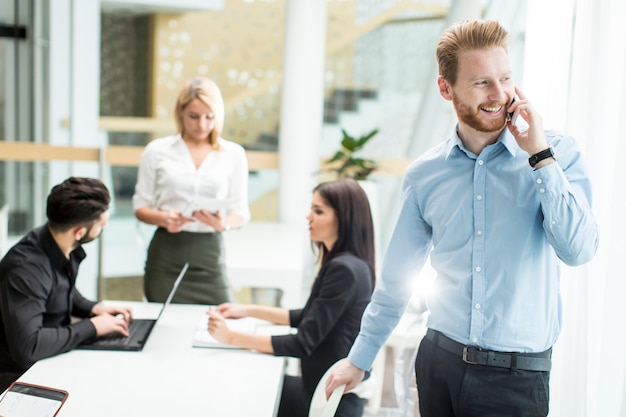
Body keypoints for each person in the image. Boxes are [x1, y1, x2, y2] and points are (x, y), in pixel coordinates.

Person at [326, 19, 599, 417]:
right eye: (481, 83)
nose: (500, 94)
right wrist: (360, 358)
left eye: (505, 78)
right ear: (445, 88)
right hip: (439, 363)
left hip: (517, 379)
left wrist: (539, 155)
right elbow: (396, 280)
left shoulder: (556, 154)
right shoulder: (425, 175)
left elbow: (579, 250)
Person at [207, 178, 375, 417]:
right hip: (322, 390)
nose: (309, 217)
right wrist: (247, 310)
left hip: (328, 403)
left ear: (343, 218)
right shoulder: (347, 264)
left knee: (239, 388)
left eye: (318, 211)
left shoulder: (344, 269)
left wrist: (230, 336)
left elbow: (302, 342)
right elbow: (308, 316)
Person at [0, 177, 134, 392]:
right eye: (101, 224)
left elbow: (59, 290)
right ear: (80, 232)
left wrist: (93, 308)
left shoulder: (56, 240)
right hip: (21, 378)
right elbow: (29, 345)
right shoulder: (26, 269)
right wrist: (92, 327)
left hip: (49, 362)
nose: (105, 225)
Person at [132, 76, 250, 305]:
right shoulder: (156, 151)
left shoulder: (233, 154)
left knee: (221, 318)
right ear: (180, 113)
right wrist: (164, 218)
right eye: (194, 117)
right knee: (163, 323)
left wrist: (223, 224)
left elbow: (241, 212)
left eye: (210, 117)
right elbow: (140, 207)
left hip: (210, 254)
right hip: (167, 253)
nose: (202, 125)